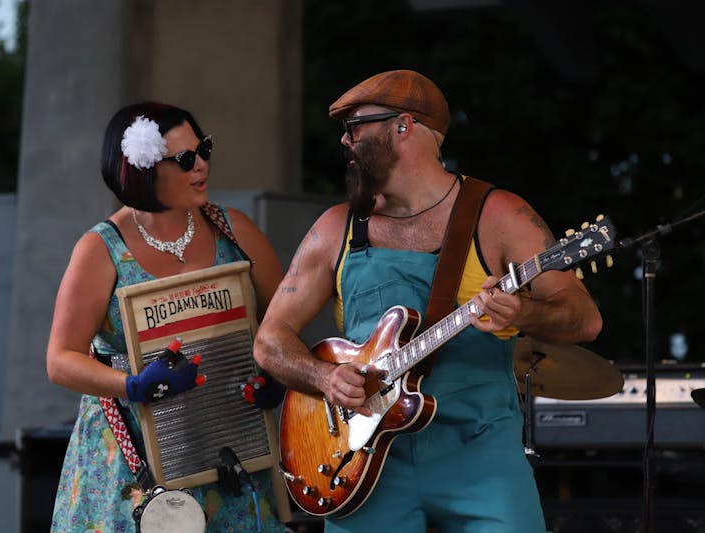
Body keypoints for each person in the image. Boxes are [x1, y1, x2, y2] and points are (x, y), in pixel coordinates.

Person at [253, 70, 603, 533]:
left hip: (480, 453)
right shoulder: (337, 227)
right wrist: (324, 376)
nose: (344, 141)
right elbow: (270, 340)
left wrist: (525, 312)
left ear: (403, 126)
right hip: (363, 461)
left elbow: (585, 319)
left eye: (355, 128)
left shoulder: (499, 215)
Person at [46, 101, 287, 532]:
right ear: (142, 170)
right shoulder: (101, 250)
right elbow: (60, 359)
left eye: (204, 150)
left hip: (228, 451)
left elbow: (287, 323)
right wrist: (133, 384)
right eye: (185, 159)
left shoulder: (235, 231)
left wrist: (278, 377)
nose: (202, 167)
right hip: (131, 462)